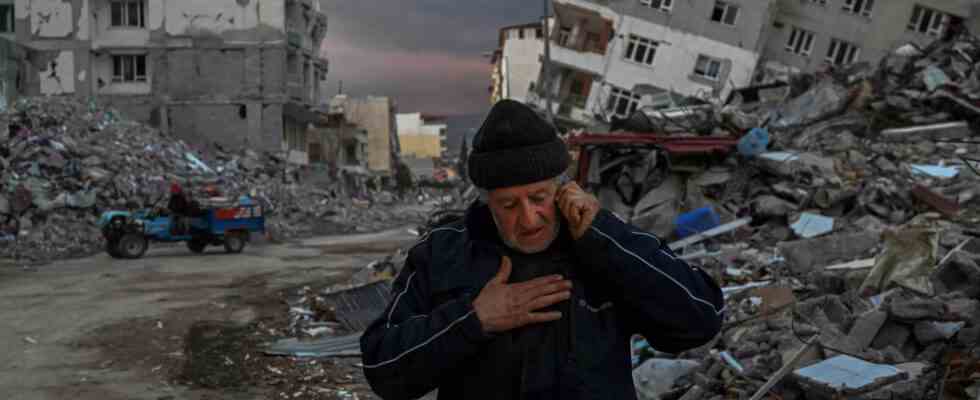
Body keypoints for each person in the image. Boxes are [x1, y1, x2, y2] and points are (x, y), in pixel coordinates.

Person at [360, 100, 724, 400]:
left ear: (562, 188)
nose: (529, 219)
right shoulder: (444, 253)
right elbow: (383, 370)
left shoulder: (607, 243)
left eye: (539, 198)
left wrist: (605, 238)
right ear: (486, 201)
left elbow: (700, 322)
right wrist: (473, 319)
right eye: (509, 205)